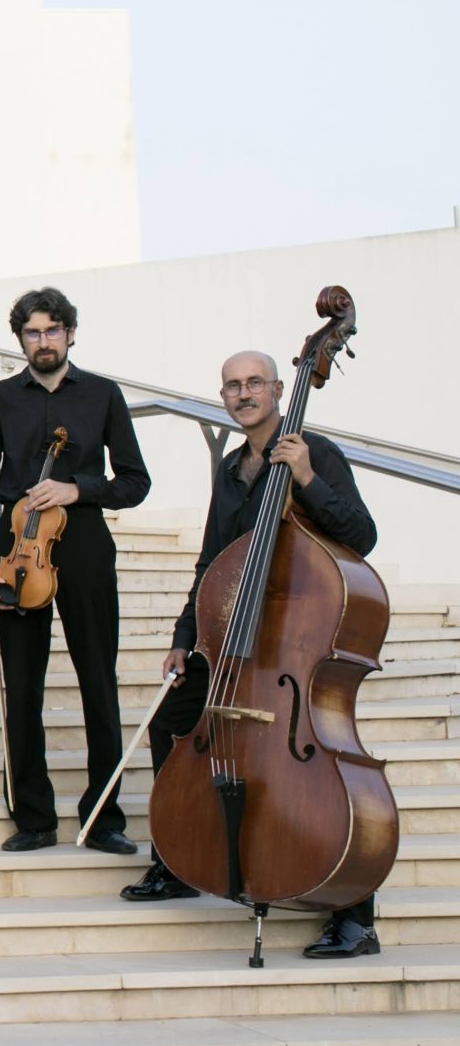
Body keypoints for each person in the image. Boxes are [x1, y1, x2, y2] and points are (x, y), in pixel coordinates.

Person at [121, 350, 385, 959]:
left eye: (254, 384)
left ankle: (355, 916)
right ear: (224, 398)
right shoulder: (231, 468)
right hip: (237, 642)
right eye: (232, 386)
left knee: (321, 767)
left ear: (277, 389)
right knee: (174, 717)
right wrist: (184, 636)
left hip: (298, 641)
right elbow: (214, 561)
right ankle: (176, 861)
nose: (244, 394)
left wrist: (307, 478)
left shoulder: (313, 452)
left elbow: (362, 536)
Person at [0, 288, 151, 854]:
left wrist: (78, 488)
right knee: (22, 686)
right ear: (19, 339)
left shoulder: (102, 395)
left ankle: (104, 816)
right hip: (16, 547)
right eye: (31, 332)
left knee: (99, 679)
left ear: (71, 333)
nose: (42, 341)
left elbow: (134, 482)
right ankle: (34, 818)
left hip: (85, 541)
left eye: (52, 330)